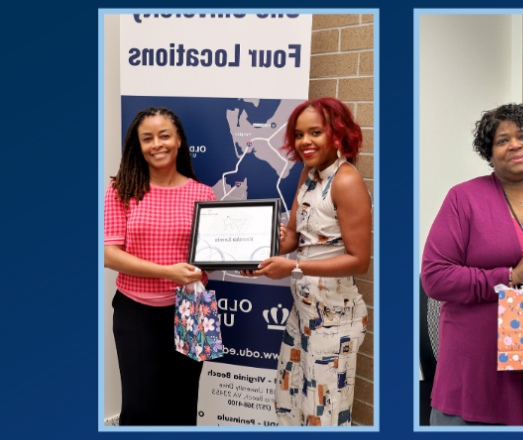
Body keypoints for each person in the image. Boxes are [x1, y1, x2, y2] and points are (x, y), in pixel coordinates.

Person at [421, 104, 523, 425]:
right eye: (502, 140)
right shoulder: (463, 199)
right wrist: (509, 276)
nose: (515, 144)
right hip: (479, 362)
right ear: (489, 152)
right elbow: (435, 276)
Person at [241, 97, 371, 426]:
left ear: (338, 134)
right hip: (303, 314)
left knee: (323, 417)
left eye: (316, 132)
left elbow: (359, 262)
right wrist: (256, 254)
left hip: (334, 321)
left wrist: (295, 267)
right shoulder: (308, 173)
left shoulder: (346, 181)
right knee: (288, 403)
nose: (305, 142)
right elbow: (294, 237)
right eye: (299, 134)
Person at [104, 107, 216, 425]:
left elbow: (215, 253)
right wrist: (167, 271)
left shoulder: (203, 193)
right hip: (137, 310)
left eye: (164, 135)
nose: (157, 144)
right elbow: (108, 254)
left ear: (179, 140)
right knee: (140, 410)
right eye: (147, 138)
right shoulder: (121, 190)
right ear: (137, 146)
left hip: (194, 309)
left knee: (183, 405)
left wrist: (257, 249)